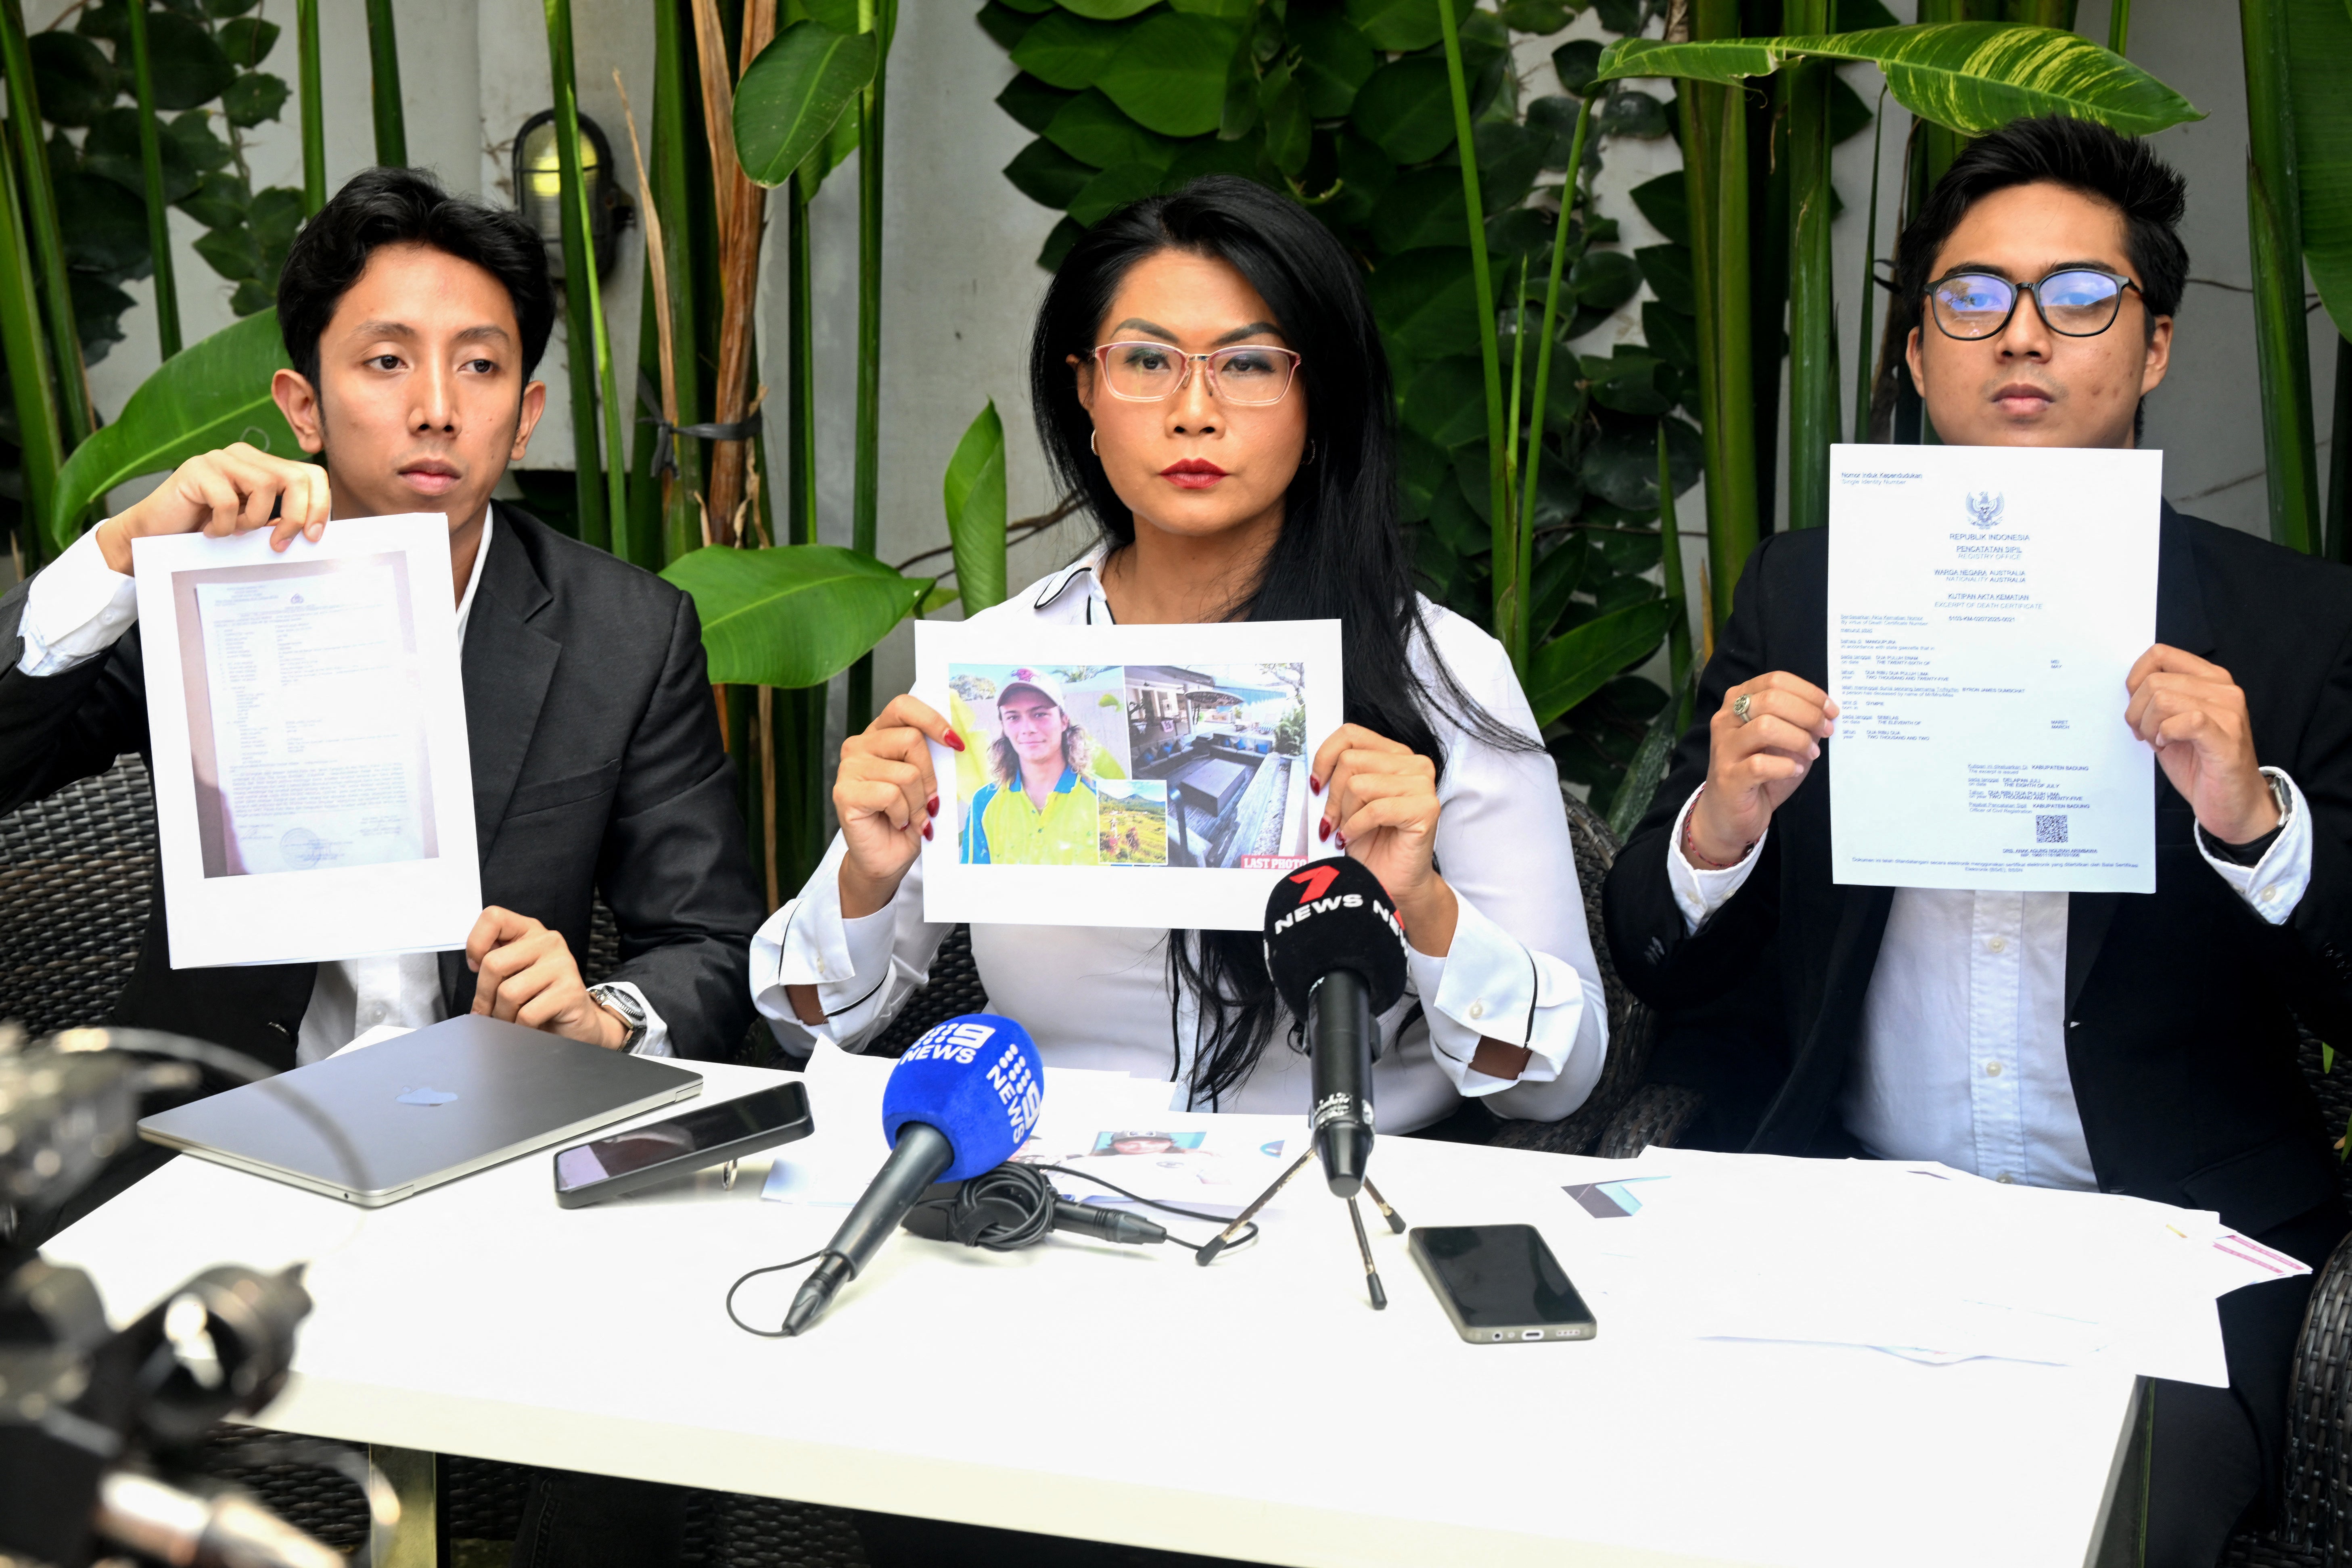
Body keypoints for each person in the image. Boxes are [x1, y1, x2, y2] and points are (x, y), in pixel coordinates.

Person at [1601, 116, 2352, 1567]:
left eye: (2076, 298)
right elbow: (1656, 954)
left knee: (2085, 1525)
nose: (2020, 335)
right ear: (1911, 349)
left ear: (2147, 348)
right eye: (1969, 298)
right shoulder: (1803, 593)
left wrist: (2251, 823)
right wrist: (1720, 820)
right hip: (1853, 1221)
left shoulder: (2286, 624)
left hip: (2163, 1246)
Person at [0, 167, 765, 1566]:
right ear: (302, 403)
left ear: (526, 410)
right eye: (386, 361)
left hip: (510, 1163)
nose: (434, 404)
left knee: (657, 1433)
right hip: (216, 1142)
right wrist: (115, 554)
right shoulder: (197, 590)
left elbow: (713, 950)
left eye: (480, 366)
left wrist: (607, 1014)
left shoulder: (622, 631)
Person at [754, 174, 1611, 1136]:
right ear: (1084, 386)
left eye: (1246, 365)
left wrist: (1423, 902)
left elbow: (1558, 1082)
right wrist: (865, 879)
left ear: (1315, 396)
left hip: (1332, 1196)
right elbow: (806, 1023)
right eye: (1147, 361)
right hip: (1042, 1200)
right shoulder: (1003, 672)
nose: (1192, 411)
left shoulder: (1435, 670)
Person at [961, 667, 1102, 865]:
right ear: (1004, 726)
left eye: (1040, 714)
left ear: (1064, 721)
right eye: (1013, 717)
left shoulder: (1105, 798)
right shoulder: (983, 803)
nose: (1028, 729)